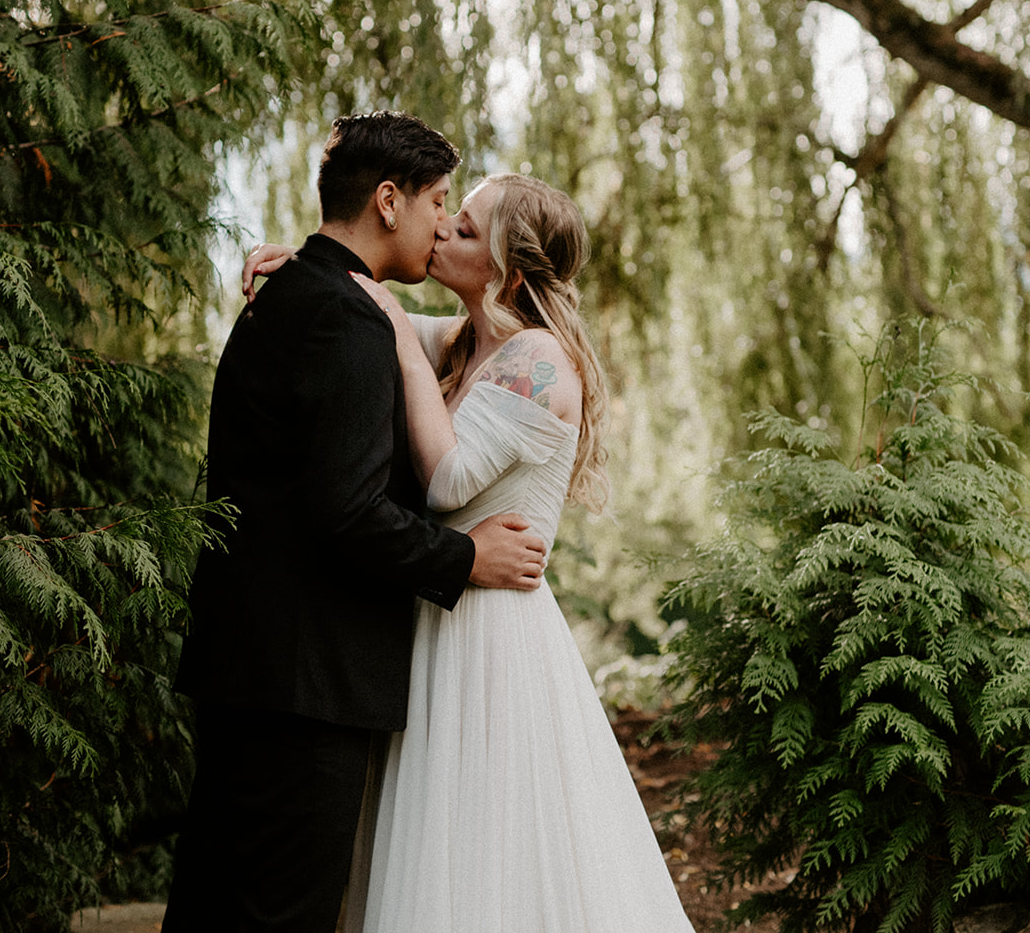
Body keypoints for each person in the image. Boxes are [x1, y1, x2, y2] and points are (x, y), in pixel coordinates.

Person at [244, 171, 695, 933]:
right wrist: (297, 264)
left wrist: (395, 332)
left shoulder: (539, 359)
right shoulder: (461, 342)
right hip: (432, 620)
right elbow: (365, 311)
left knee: (486, 850)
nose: (443, 228)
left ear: (508, 270)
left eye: (467, 227)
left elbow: (449, 478)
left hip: (492, 644)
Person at [163, 114, 547, 933]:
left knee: (214, 901)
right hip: (305, 685)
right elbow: (346, 510)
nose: (443, 222)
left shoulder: (297, 296)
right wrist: (463, 556)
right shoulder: (344, 319)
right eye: (439, 200)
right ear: (386, 201)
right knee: (279, 912)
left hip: (254, 667)